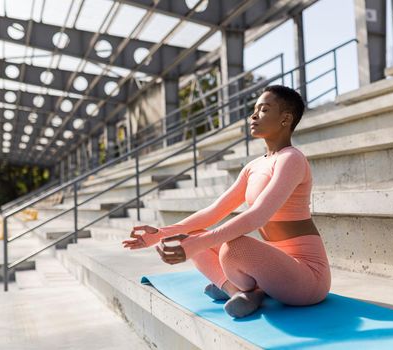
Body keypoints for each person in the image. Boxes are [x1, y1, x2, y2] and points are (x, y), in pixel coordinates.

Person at [122, 85, 331, 318]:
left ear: (285, 119)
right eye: (254, 109)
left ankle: (246, 287)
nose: (253, 115)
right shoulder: (253, 166)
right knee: (192, 235)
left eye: (264, 110)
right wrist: (161, 233)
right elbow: (215, 211)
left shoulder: (292, 159)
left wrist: (199, 244)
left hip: (307, 278)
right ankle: (238, 291)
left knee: (234, 246)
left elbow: (258, 215)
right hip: (274, 266)